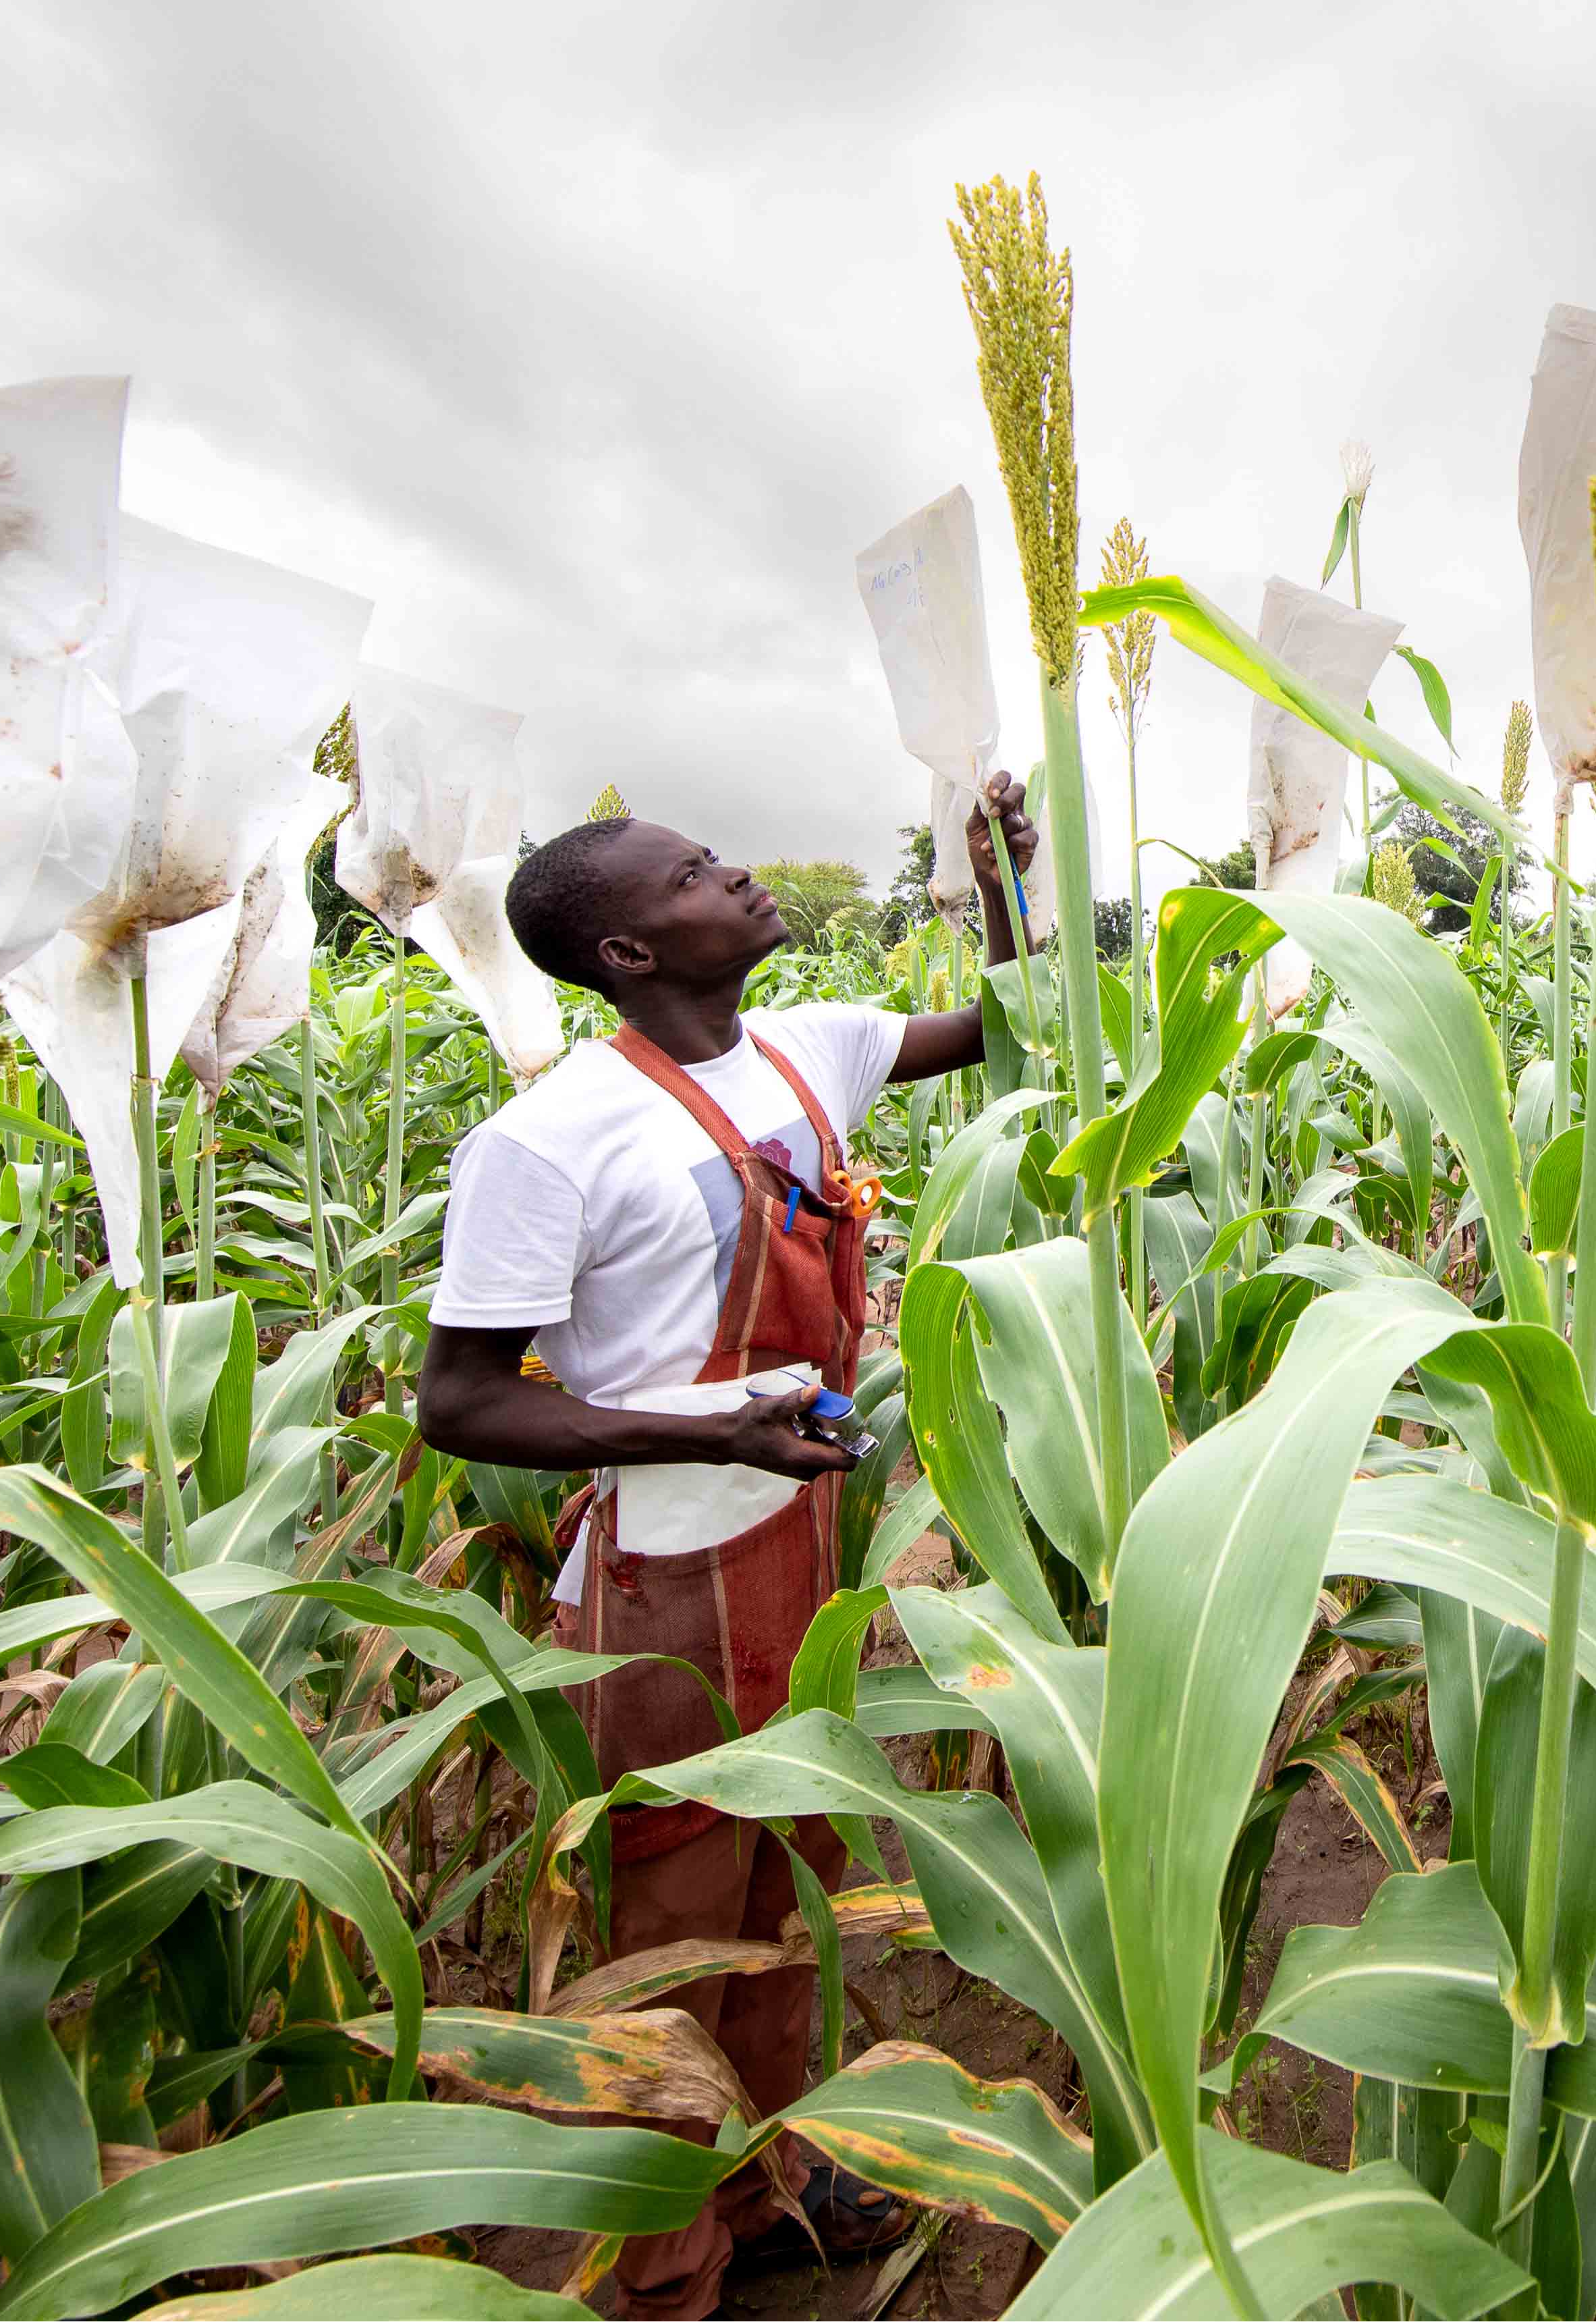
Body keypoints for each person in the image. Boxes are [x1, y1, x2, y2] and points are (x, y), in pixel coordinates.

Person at [417, 776, 1036, 2317]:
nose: (739, 874)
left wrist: (1002, 884)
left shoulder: (809, 1047)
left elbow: (1013, 1025)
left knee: (790, 1878)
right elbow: (462, 1401)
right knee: (675, 1921)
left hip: (799, 1536)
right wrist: (709, 1433)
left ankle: (764, 2181)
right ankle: (660, 2267)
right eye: (695, 873)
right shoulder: (547, 1140)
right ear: (626, 951)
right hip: (663, 1576)